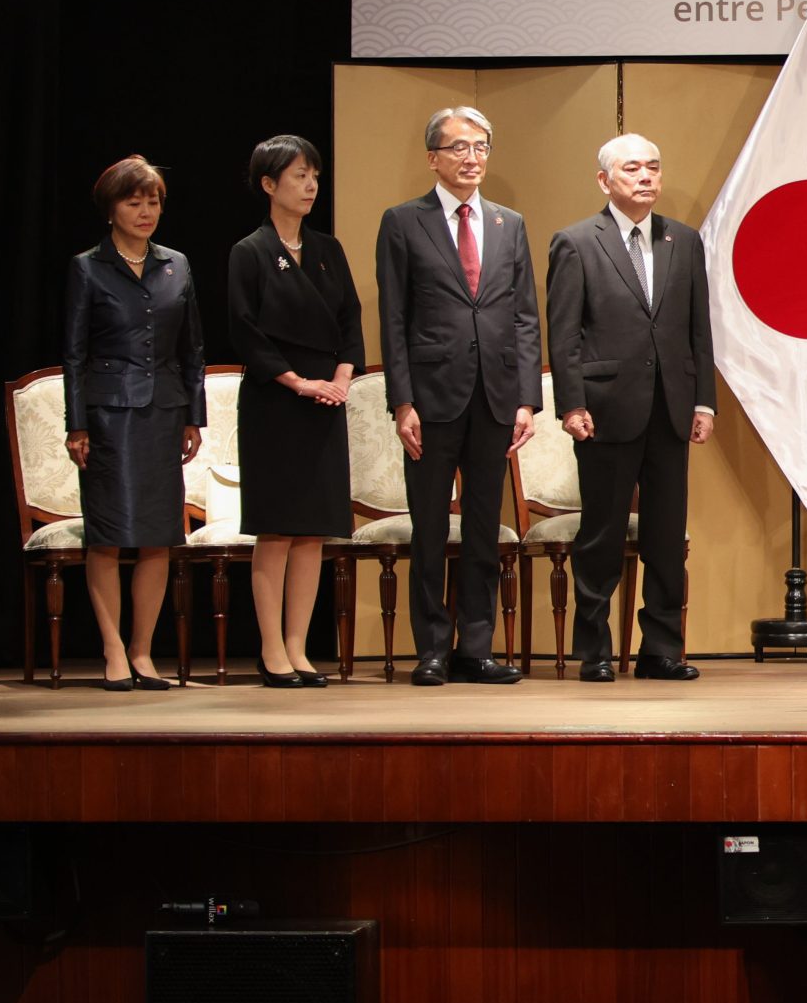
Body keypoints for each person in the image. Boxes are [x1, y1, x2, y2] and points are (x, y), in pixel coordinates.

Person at [374, 106, 540, 687]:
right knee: (429, 529)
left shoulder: (508, 223)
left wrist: (526, 399)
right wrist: (402, 401)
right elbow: (394, 318)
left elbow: (524, 316)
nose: (472, 158)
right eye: (459, 147)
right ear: (433, 158)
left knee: (482, 529)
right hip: (430, 398)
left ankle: (476, 647)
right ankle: (431, 650)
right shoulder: (403, 222)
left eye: (481, 147)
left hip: (495, 397)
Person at [544, 133, 717, 682]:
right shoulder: (576, 242)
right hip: (605, 408)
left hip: (671, 407)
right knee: (602, 535)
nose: (646, 177)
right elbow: (564, 335)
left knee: (665, 538)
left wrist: (704, 401)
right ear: (605, 180)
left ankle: (660, 650)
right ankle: (594, 651)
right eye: (633, 168)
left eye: (653, 168)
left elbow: (699, 329)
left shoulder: (683, 240)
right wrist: (571, 404)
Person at [224, 136, 362, 689]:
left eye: (315, 176)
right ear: (268, 184)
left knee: (312, 532)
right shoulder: (250, 251)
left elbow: (350, 320)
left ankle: (300, 647)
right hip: (276, 400)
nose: (310, 186)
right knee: (277, 529)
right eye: (299, 176)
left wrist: (340, 380)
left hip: (326, 399)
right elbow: (244, 330)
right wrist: (298, 382)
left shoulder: (328, 248)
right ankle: (271, 648)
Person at [62, 156, 204, 692]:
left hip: (164, 412)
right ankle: (113, 649)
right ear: (111, 209)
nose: (146, 211)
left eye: (154, 202)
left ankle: (143, 652)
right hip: (108, 416)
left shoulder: (177, 264)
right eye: (134, 202)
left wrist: (193, 416)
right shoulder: (87, 267)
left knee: (158, 536)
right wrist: (77, 424)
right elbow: (74, 354)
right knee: (108, 536)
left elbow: (192, 348)